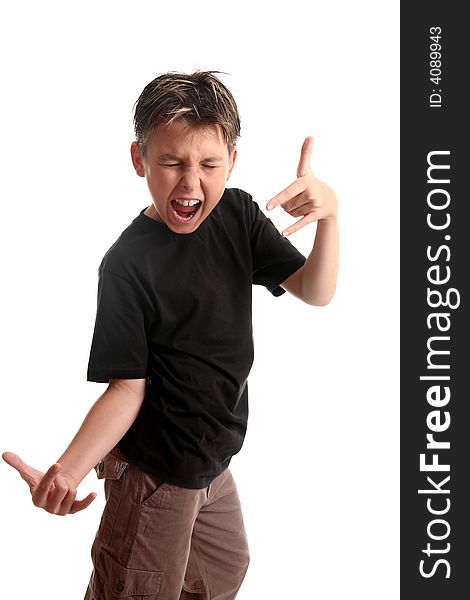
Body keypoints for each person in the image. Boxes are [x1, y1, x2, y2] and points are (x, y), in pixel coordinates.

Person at [2, 70, 339, 599]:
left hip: (211, 463)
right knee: (137, 588)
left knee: (224, 570)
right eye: (171, 162)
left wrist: (331, 217)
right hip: (155, 475)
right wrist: (68, 470)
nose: (190, 183)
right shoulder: (128, 264)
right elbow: (126, 389)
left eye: (208, 164)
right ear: (139, 160)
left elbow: (315, 290)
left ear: (232, 161)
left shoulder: (238, 214)